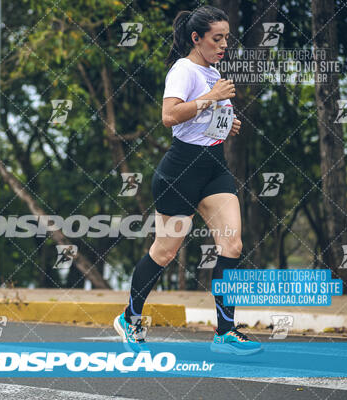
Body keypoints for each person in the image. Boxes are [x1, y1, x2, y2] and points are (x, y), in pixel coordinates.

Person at [113, 5, 263, 355]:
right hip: (180, 170)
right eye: (217, 38)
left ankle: (224, 334)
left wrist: (227, 124)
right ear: (197, 38)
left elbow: (203, 120)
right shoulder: (184, 70)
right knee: (164, 253)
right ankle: (130, 316)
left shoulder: (214, 71)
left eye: (226, 37)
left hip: (214, 168)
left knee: (232, 246)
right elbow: (169, 116)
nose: (224, 44)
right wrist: (211, 99)